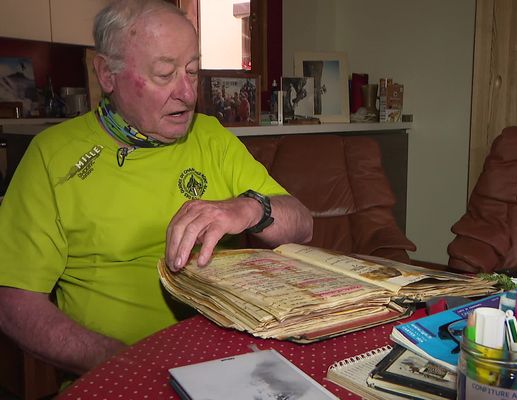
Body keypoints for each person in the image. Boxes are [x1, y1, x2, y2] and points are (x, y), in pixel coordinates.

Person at [0, 0, 312, 377]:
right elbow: (14, 301)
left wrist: (248, 209)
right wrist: (120, 361)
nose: (187, 93)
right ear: (107, 74)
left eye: (193, 71)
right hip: (119, 372)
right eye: (165, 74)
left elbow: (303, 226)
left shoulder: (211, 136)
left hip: (234, 365)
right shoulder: (52, 156)